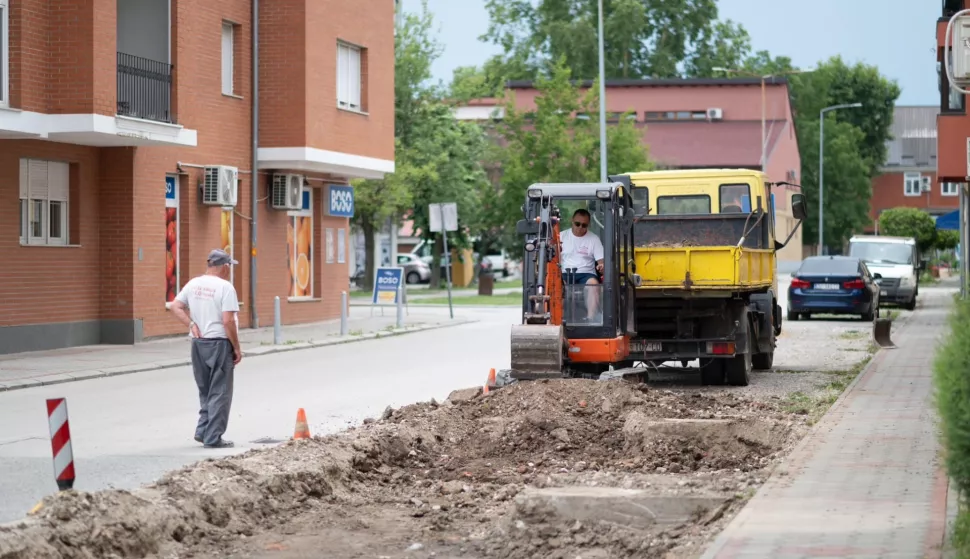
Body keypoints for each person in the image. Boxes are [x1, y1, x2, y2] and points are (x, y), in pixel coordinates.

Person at [169, 249, 242, 449]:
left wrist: (191, 324)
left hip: (198, 344)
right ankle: (213, 437)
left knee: (206, 389)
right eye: (230, 266)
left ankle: (203, 431)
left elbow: (175, 306)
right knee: (220, 391)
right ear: (225, 267)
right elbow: (227, 321)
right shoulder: (226, 288)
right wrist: (236, 347)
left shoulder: (194, 284)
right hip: (219, 343)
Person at [559, 208, 605, 321]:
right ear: (572, 221)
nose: (580, 228)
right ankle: (559, 318)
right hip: (565, 272)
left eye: (584, 225)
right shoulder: (561, 237)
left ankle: (590, 318)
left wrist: (601, 266)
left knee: (593, 285)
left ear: (588, 225)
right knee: (556, 286)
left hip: (586, 273)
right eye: (577, 224)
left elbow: (601, 262)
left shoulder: (594, 239)